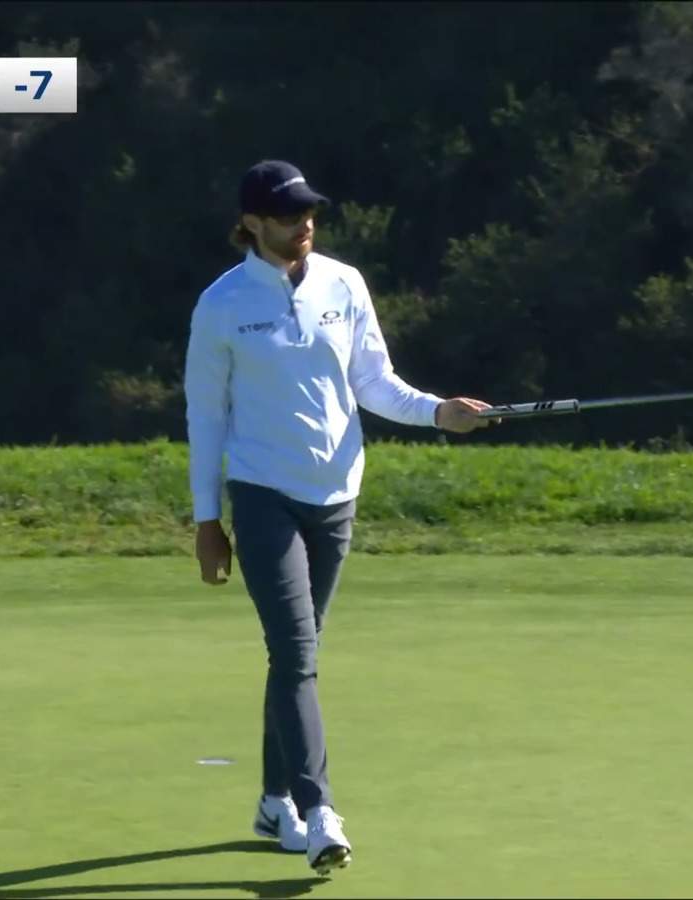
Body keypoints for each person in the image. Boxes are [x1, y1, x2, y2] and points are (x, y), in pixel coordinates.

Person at [183, 159, 498, 875]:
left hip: (336, 496)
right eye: (290, 216)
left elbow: (374, 383)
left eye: (310, 213)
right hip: (263, 494)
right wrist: (208, 520)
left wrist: (439, 412)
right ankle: (318, 810)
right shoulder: (222, 305)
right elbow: (206, 417)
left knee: (297, 653)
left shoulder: (343, 283)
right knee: (296, 653)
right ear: (253, 223)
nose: (305, 226)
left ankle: (272, 801)